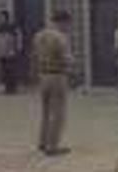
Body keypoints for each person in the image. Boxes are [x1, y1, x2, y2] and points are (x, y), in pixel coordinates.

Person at [33, 10, 73, 157]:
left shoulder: (39, 35)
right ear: (63, 22)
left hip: (42, 75)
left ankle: (42, 142)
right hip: (57, 76)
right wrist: (71, 66)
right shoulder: (60, 38)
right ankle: (52, 146)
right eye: (68, 23)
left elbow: (35, 55)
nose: (68, 27)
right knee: (58, 113)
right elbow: (67, 59)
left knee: (45, 112)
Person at [0, 10, 22, 94]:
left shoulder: (12, 26)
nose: (0, 18)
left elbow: (18, 35)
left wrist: (18, 47)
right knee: (4, 71)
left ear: (6, 17)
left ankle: (13, 88)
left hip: (11, 51)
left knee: (11, 70)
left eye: (1, 16)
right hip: (2, 52)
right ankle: (7, 88)